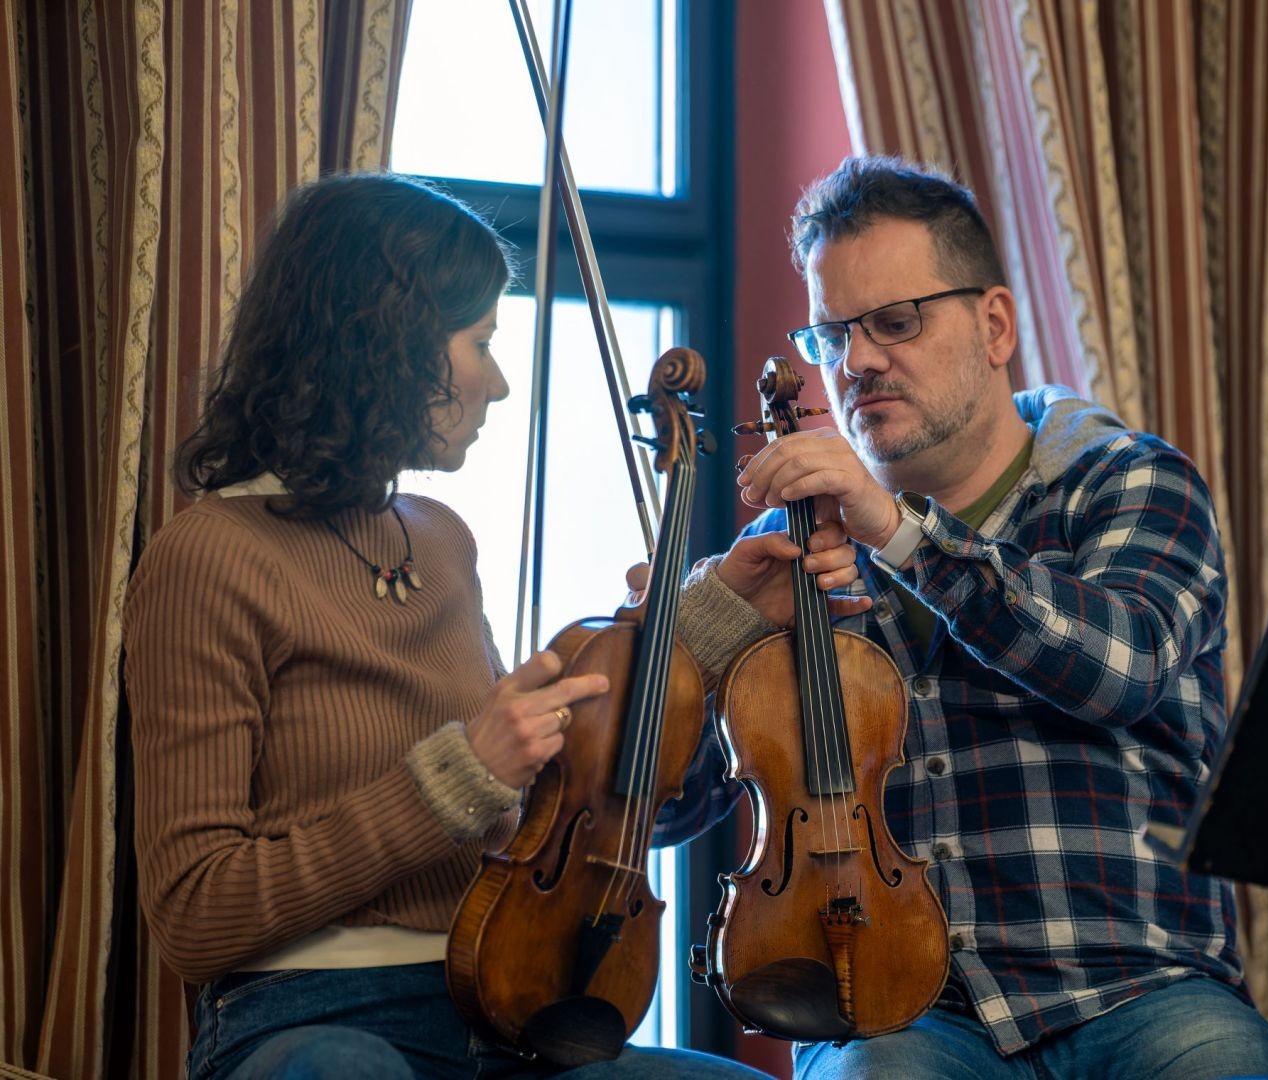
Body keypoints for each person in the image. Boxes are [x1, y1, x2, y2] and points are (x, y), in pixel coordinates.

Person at [124, 172, 859, 1079]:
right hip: (311, 1016)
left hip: (503, 1000)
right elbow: (194, 919)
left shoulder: (440, 540)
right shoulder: (207, 557)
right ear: (386, 342)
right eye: (480, 343)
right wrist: (456, 777)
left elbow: (552, 798)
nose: (501, 384)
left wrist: (715, 618)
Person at [658, 156, 1268, 1079]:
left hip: (1142, 988)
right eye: (832, 333)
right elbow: (667, 812)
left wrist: (897, 533)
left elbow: (1121, 670)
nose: (856, 361)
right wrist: (706, 630)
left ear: (994, 325)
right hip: (897, 1009)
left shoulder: (1129, 481)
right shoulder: (783, 547)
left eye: (895, 321)